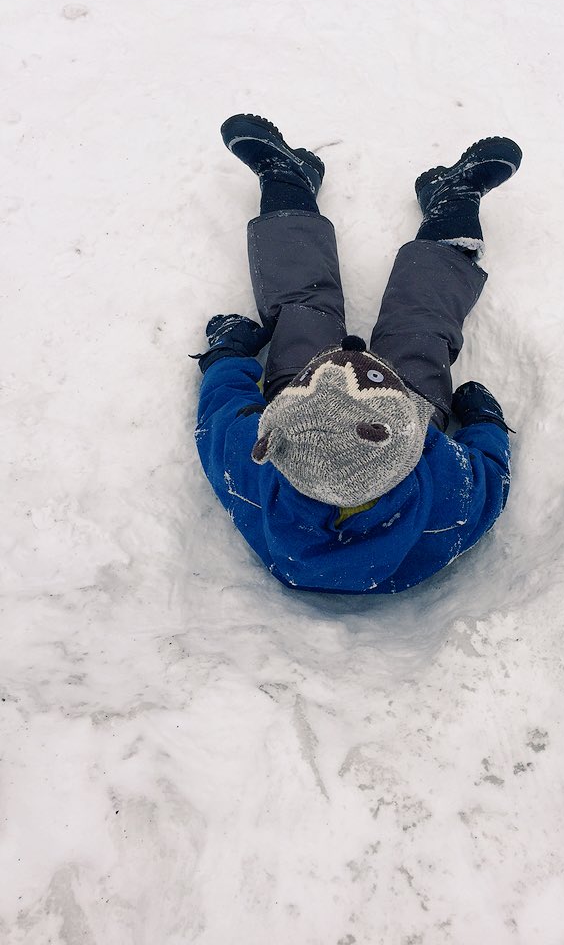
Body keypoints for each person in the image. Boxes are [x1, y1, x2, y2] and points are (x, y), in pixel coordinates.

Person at [193, 115, 522, 594]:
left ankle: (288, 181)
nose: (349, 353)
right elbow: (488, 483)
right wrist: (485, 425)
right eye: (360, 376)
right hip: (396, 425)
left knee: (301, 311)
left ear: (273, 439)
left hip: (351, 424)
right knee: (422, 328)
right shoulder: (444, 503)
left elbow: (221, 417)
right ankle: (453, 202)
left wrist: (227, 354)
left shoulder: (257, 474)